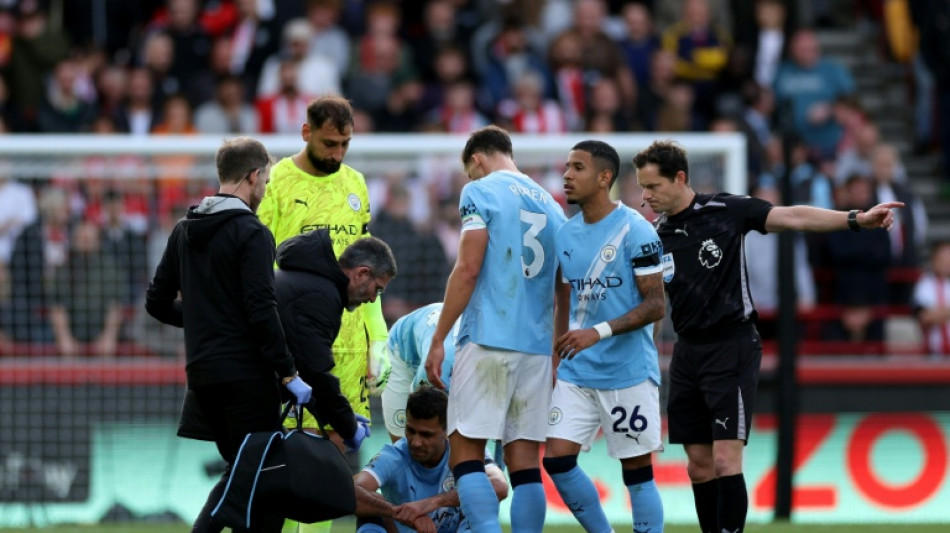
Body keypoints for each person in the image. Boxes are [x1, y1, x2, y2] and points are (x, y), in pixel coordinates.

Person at [632, 139, 903, 533]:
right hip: (687, 353)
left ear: (680, 178)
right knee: (698, 466)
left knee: (726, 461)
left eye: (653, 186)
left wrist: (854, 219)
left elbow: (792, 216)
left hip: (732, 344)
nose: (645, 195)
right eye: (642, 187)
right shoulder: (657, 235)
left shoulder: (726, 211)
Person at [144, 136, 313, 533]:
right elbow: (261, 309)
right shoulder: (251, 232)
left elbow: (156, 301)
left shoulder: (185, 229)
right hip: (246, 377)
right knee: (264, 480)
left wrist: (209, 321)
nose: (266, 189)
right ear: (253, 176)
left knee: (242, 475)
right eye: (266, 181)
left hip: (202, 375)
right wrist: (287, 373)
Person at [256, 94, 391, 533]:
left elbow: (368, 268)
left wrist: (379, 336)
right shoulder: (276, 183)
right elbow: (258, 269)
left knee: (334, 462)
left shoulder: (355, 183)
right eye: (330, 144)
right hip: (299, 343)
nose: (337, 154)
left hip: (349, 343)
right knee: (302, 462)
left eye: (345, 145)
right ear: (306, 133)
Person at [425, 125, 567, 533]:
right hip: (537, 349)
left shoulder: (481, 190)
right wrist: (556, 346)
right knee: (524, 467)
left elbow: (468, 268)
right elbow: (564, 284)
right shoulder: (552, 204)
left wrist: (439, 339)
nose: (470, 179)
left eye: (470, 172)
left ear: (477, 160)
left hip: (488, 338)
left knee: (466, 454)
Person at [545, 140, 666, 533]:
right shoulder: (565, 234)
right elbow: (564, 296)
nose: (566, 175)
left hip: (627, 371)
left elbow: (656, 306)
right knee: (557, 460)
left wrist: (595, 333)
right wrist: (557, 353)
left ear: (604, 177)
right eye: (566, 166)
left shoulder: (638, 229)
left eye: (577, 167)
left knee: (637, 473)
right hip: (577, 372)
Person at [274, 229, 396, 452]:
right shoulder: (322, 296)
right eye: (376, 290)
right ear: (361, 273)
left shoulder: (313, 284)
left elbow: (305, 370)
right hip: (234, 378)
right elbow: (316, 373)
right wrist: (348, 425)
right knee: (251, 466)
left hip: (235, 376)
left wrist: (341, 417)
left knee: (253, 465)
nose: (372, 299)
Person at [355, 387, 509, 533]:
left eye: (426, 435)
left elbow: (499, 487)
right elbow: (352, 491)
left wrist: (431, 503)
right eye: (410, 431)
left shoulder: (465, 451)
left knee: (482, 505)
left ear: (447, 430)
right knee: (368, 513)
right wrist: (393, 512)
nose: (415, 442)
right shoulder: (393, 456)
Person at [382, 302, 458, 441]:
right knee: (406, 440)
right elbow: (418, 408)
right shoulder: (440, 371)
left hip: (435, 346)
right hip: (402, 347)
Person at [913, 240, 950, 357]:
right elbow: (925, 316)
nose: (947, 262)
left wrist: (940, 313)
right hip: (935, 354)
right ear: (934, 259)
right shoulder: (925, 284)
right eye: (943, 257)